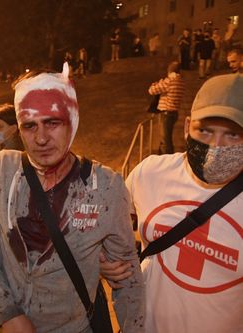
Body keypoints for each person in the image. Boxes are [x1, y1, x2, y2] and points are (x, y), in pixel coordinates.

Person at [0, 69, 144, 332]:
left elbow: (128, 279)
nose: (40, 138)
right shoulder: (1, 170)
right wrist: (6, 311)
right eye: (30, 125)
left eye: (53, 122)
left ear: (72, 121)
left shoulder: (104, 186)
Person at [101, 73, 243, 333]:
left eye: (233, 135)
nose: (216, 146)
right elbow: (107, 226)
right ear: (187, 125)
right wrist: (105, 258)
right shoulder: (151, 173)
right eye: (205, 130)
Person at [148, 61, 186, 154]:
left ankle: (167, 160)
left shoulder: (170, 80)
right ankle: (161, 158)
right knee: (165, 138)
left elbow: (152, 91)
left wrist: (155, 84)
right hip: (174, 113)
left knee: (165, 141)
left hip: (166, 113)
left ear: (169, 70)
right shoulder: (180, 81)